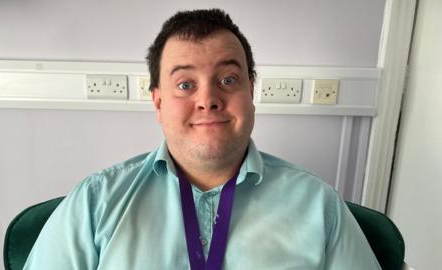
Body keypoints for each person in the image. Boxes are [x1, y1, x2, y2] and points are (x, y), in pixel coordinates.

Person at [23, 9, 381, 270]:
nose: (208, 99)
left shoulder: (321, 207)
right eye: (185, 84)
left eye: (227, 79)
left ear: (251, 92)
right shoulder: (95, 202)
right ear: (159, 102)